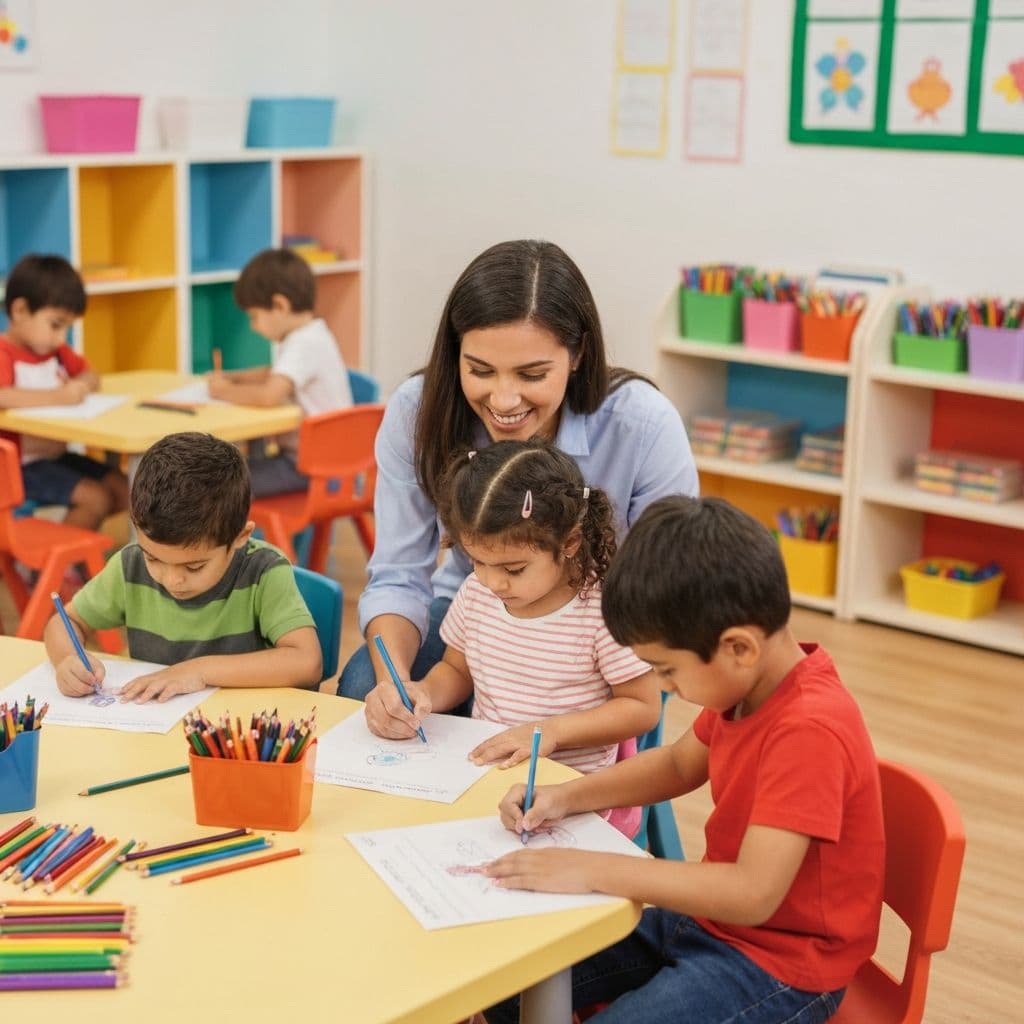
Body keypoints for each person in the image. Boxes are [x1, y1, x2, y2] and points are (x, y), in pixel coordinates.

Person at [483, 496, 885, 1024]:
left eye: (667, 671)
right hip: (708, 923)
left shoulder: (809, 729)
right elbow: (676, 766)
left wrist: (594, 869)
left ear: (738, 648)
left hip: (781, 966)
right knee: (503, 987)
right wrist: (565, 797)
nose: (664, 687)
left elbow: (753, 894)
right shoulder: (748, 686)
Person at [339, 238, 698, 701]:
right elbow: (398, 574)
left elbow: (669, 585)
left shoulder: (642, 423)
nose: (504, 401)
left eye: (532, 375)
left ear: (579, 355)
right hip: (478, 608)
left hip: (602, 625)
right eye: (480, 371)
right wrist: (396, 688)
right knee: (363, 686)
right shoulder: (417, 411)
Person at [365, 440, 661, 832]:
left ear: (569, 542)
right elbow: (457, 670)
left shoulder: (602, 609)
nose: (493, 582)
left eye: (514, 569)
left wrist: (550, 732)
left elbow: (642, 708)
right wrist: (423, 693)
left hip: (571, 798)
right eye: (477, 561)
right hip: (485, 783)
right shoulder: (477, 592)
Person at [43, 432, 323, 703]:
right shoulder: (130, 566)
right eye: (153, 558)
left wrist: (198, 671)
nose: (172, 579)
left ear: (240, 536)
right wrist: (67, 659)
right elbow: (65, 622)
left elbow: (307, 662)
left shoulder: (263, 571)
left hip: (235, 725)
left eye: (194, 567)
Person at [0, 253, 129, 533]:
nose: (61, 338)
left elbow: (91, 374)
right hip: (16, 467)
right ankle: (61, 558)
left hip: (56, 456)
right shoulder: (4, 352)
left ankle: (70, 542)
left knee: (125, 489)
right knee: (95, 498)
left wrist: (82, 385)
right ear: (20, 310)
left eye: (68, 328)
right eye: (56, 325)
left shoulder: (56, 352)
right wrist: (58, 397)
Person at [208, 248, 352, 498]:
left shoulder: (303, 344)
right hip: (325, 462)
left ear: (279, 305)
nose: (253, 326)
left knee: (225, 482)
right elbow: (272, 372)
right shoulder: (312, 333)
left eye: (254, 316)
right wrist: (234, 377)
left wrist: (222, 391)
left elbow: (268, 396)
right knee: (238, 470)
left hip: (309, 469)